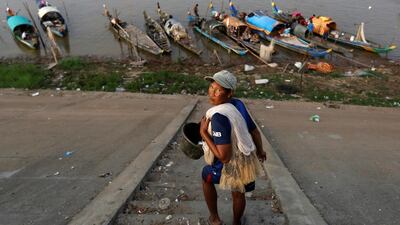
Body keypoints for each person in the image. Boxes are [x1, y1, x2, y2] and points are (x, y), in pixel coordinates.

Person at [200, 70, 267, 225]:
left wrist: (203, 133)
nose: (212, 93)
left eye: (218, 90)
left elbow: (224, 157)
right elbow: (254, 130)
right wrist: (260, 150)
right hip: (245, 159)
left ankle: (215, 219)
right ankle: (236, 222)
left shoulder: (219, 116)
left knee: (206, 176)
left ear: (229, 93)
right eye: (211, 87)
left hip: (230, 163)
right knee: (239, 192)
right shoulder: (238, 104)